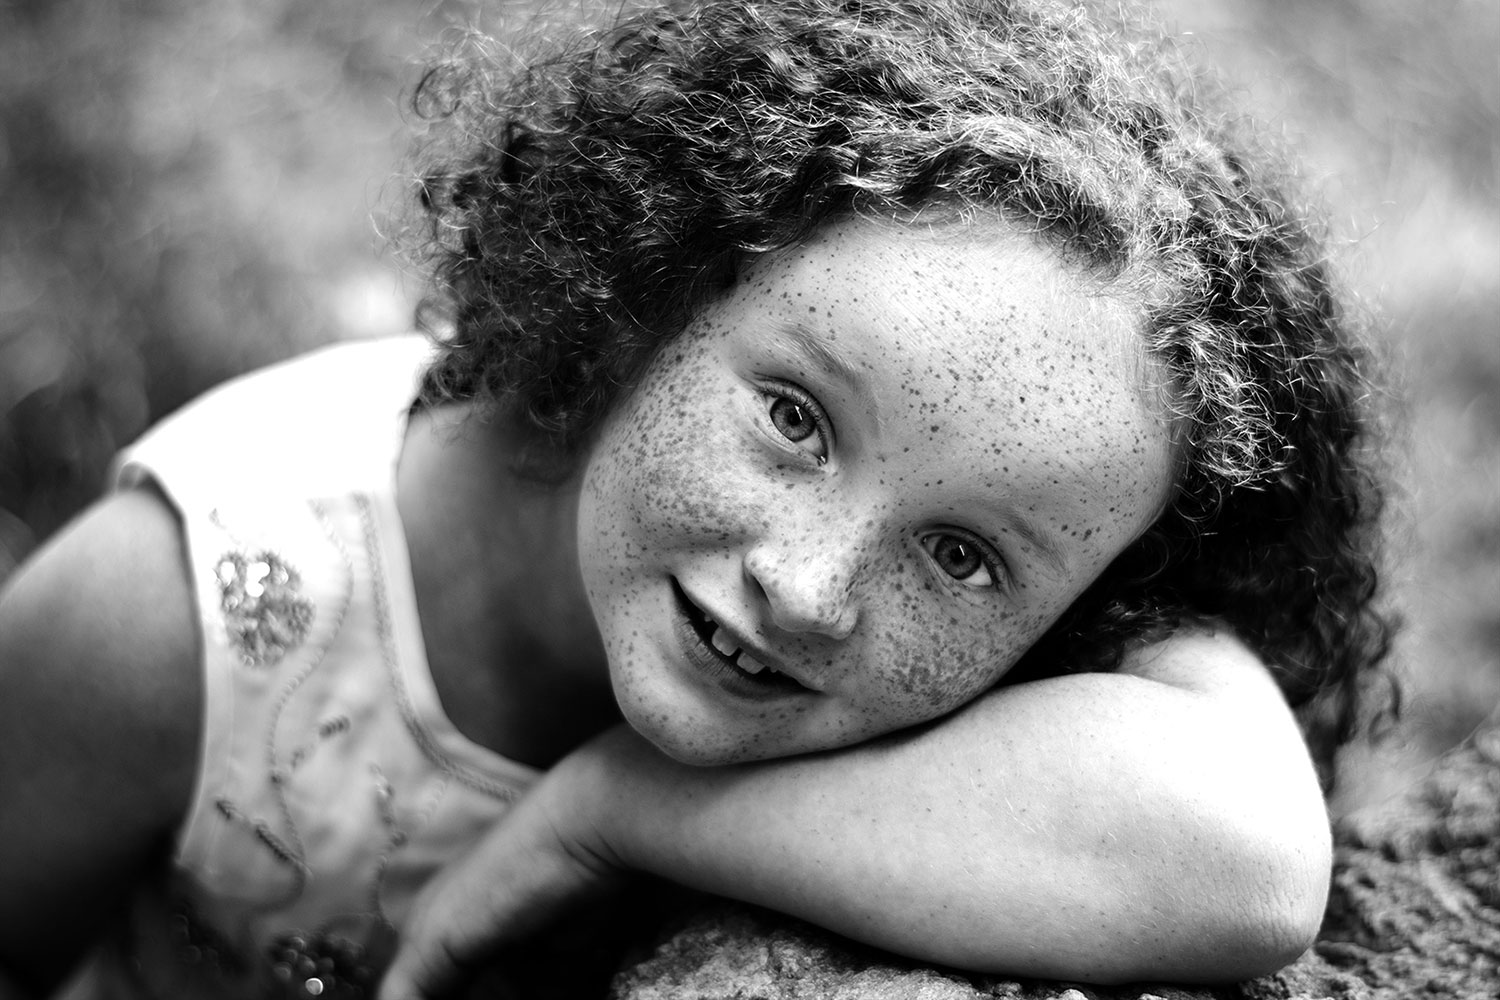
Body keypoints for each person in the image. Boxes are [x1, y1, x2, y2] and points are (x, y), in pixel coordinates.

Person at [0, 0, 1395, 997]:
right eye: (795, 420)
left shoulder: (1064, 545)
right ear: (651, 294)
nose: (811, 587)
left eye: (963, 559)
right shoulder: (179, 616)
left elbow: (1251, 864)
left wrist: (621, 807)